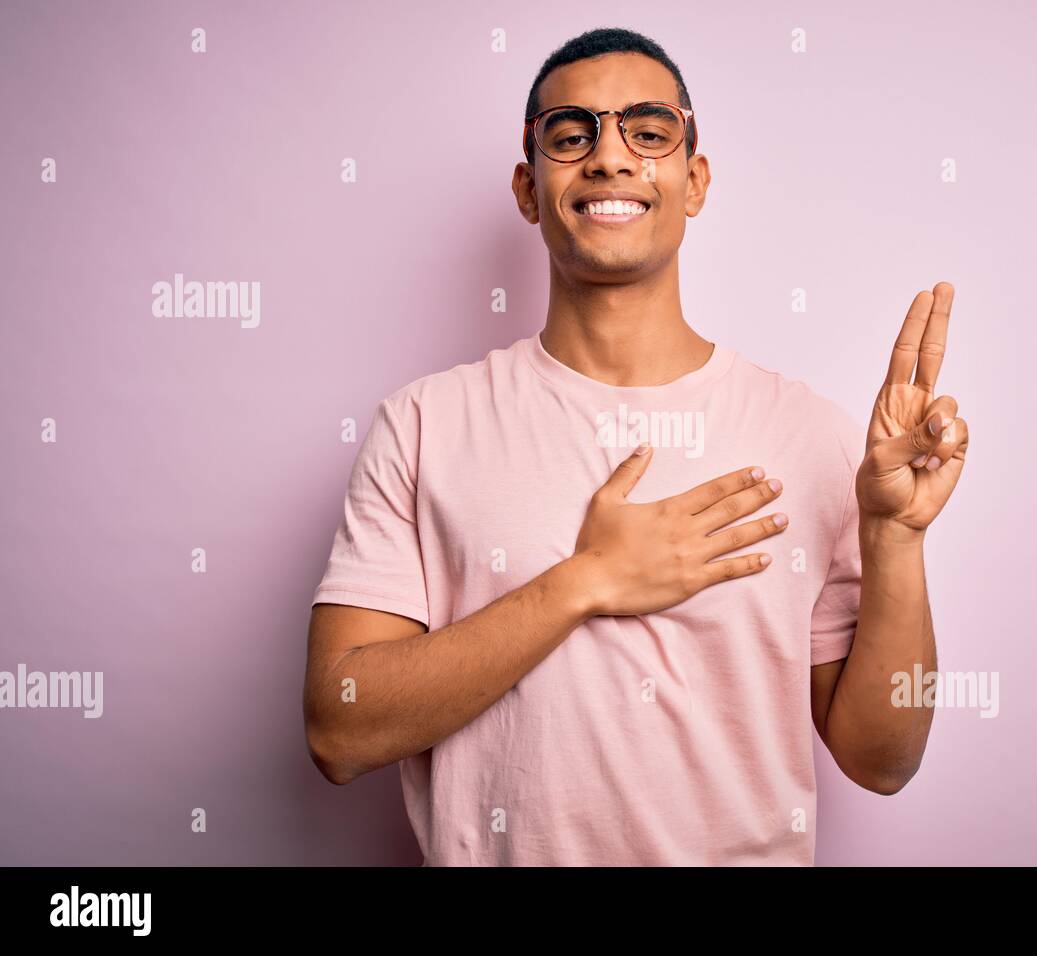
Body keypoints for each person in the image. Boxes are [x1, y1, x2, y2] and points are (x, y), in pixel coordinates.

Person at [303, 27, 969, 866]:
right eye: (571, 134)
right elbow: (339, 728)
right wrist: (588, 582)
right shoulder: (425, 424)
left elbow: (882, 762)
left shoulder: (813, 436)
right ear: (528, 185)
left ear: (693, 181)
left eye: (648, 131)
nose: (610, 157)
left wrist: (897, 540)